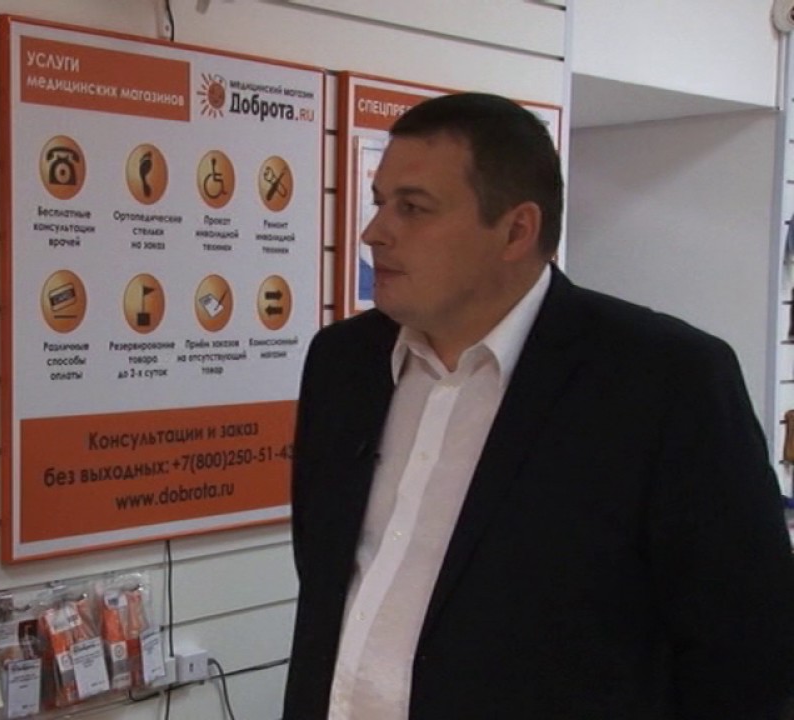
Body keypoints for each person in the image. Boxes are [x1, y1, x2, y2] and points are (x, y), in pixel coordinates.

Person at [283, 92, 794, 720]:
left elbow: (747, 649)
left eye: (412, 207)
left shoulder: (664, 380)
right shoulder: (343, 363)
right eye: (380, 201)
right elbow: (326, 577)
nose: (374, 232)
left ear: (516, 230)